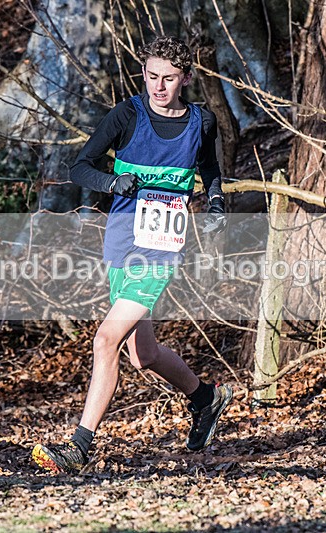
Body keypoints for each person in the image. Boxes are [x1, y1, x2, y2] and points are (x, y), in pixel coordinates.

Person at [31, 36, 232, 475]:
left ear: (186, 78)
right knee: (144, 355)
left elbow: (210, 169)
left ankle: (79, 447)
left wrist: (215, 202)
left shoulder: (202, 121)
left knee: (106, 339)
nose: (159, 86)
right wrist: (110, 184)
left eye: (169, 78)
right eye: (152, 76)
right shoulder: (126, 115)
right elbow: (79, 166)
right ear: (144, 74)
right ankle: (206, 398)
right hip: (121, 242)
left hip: (161, 247)